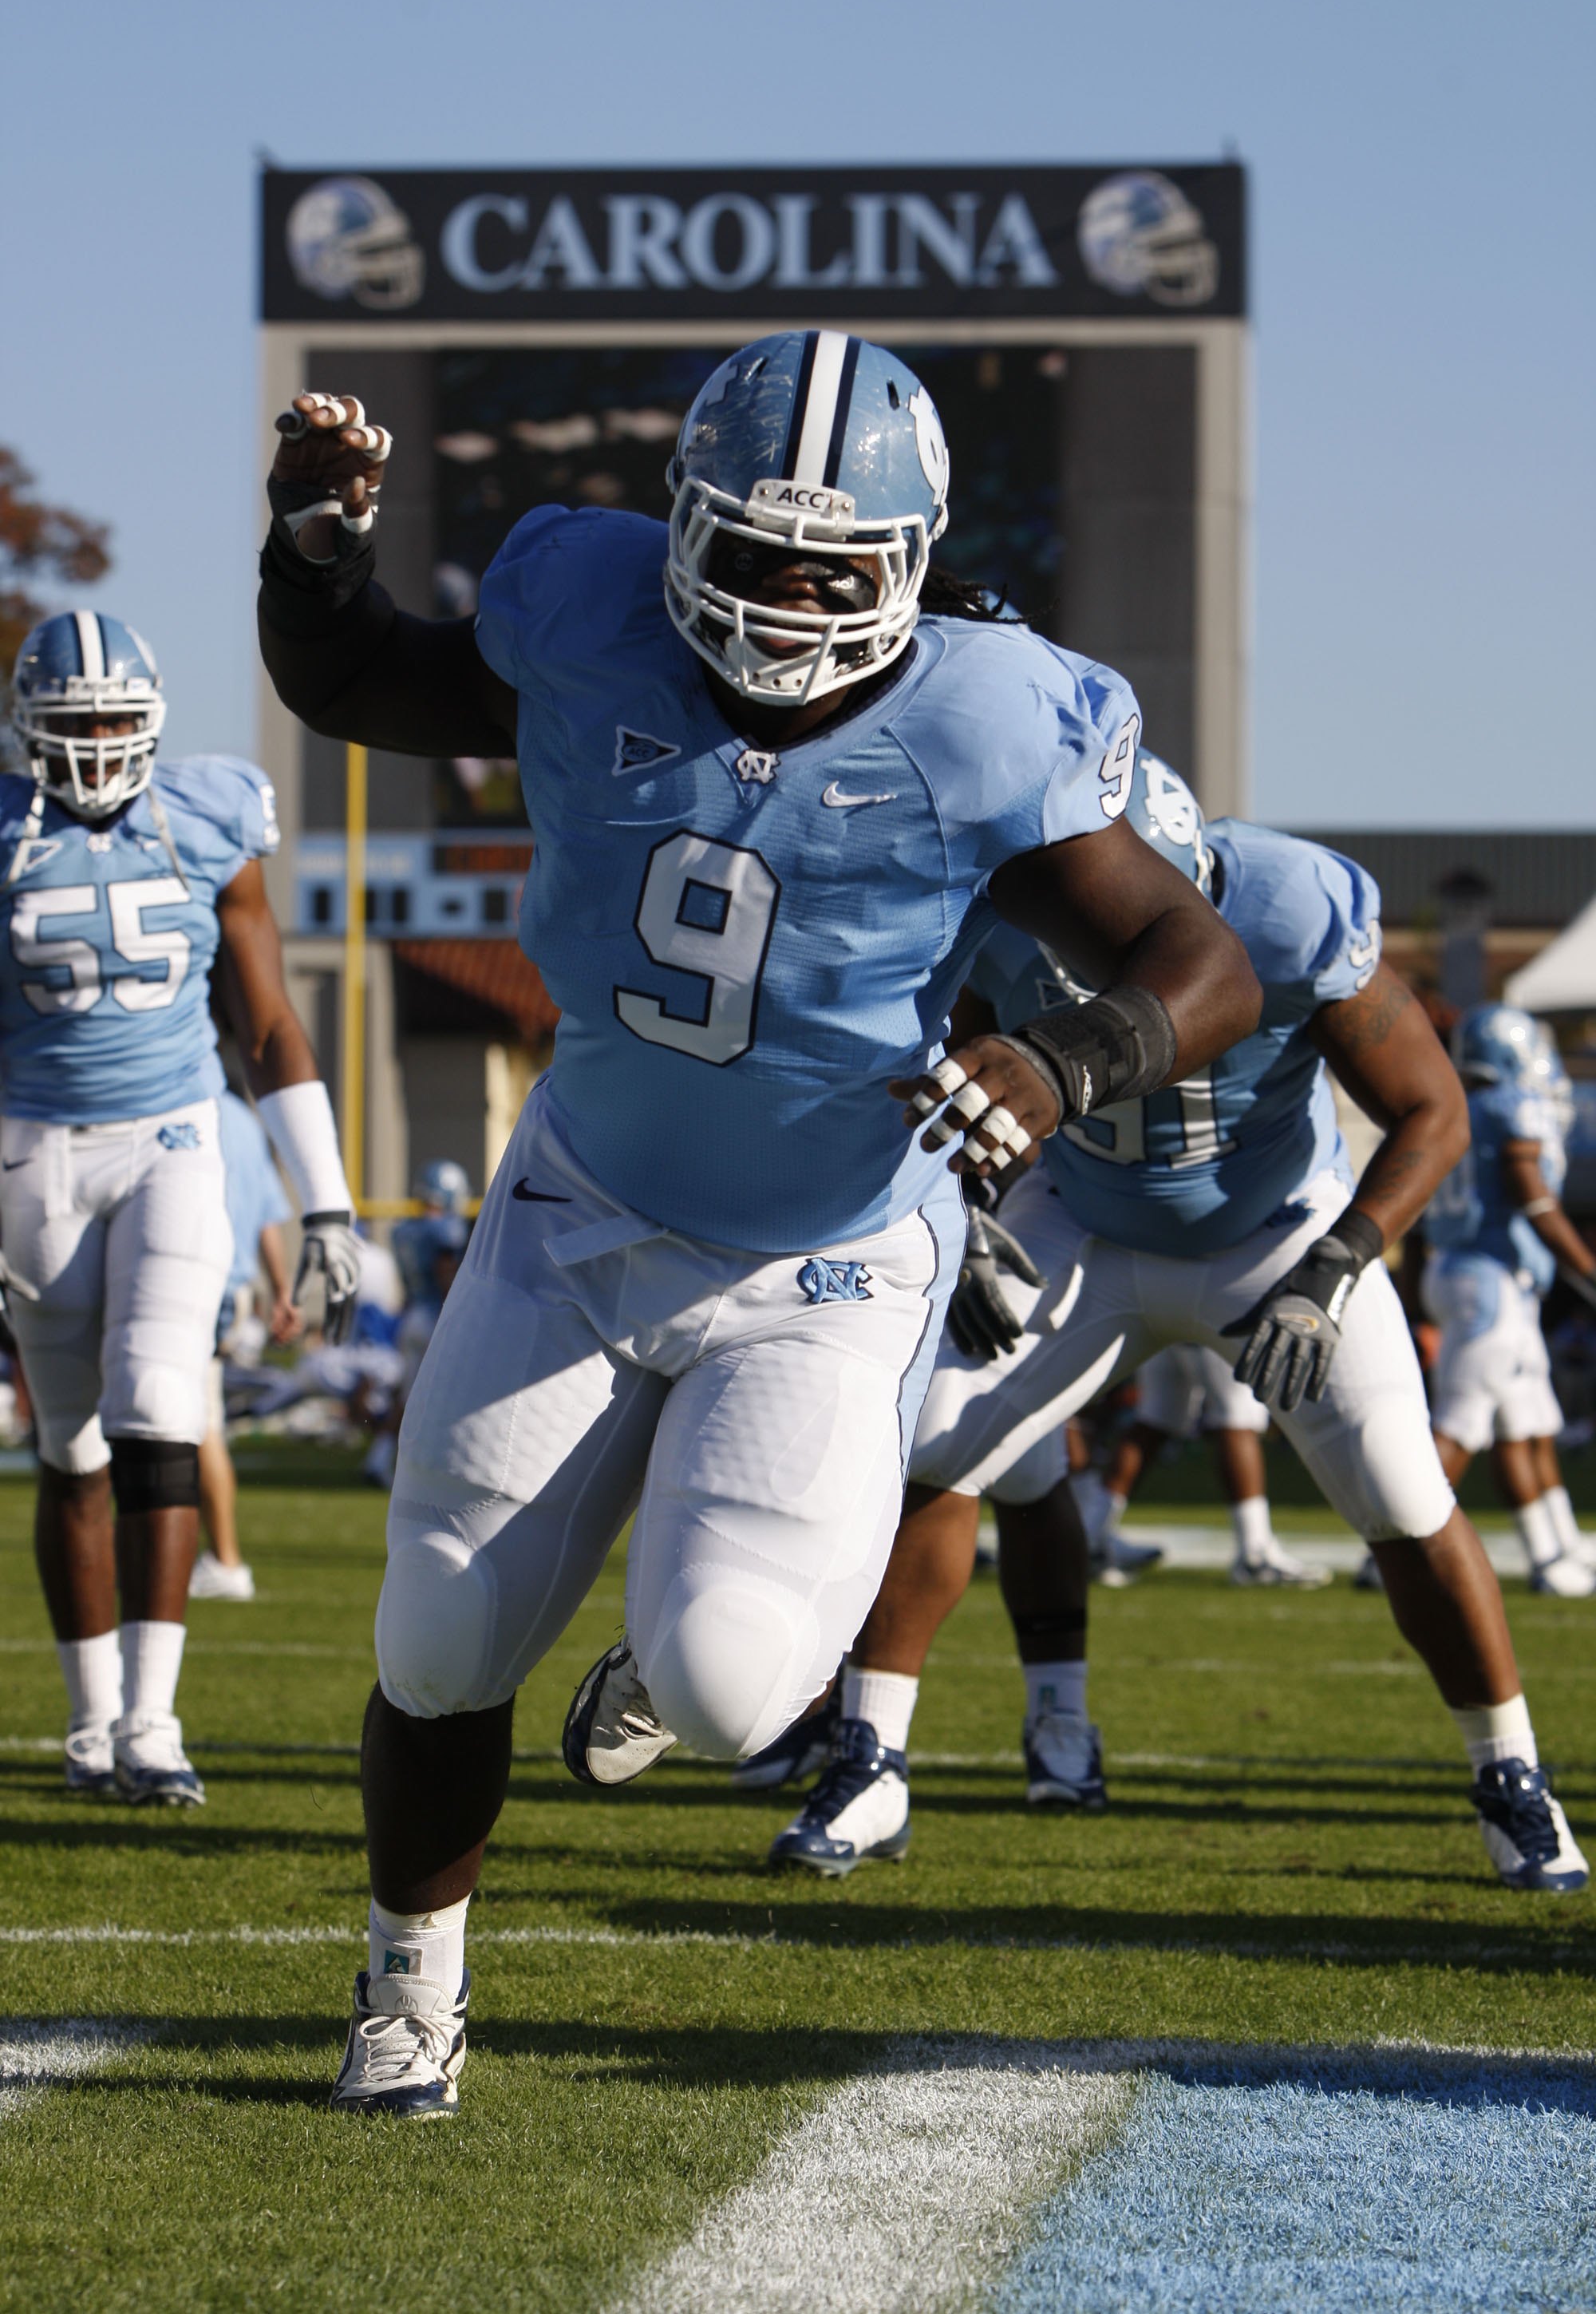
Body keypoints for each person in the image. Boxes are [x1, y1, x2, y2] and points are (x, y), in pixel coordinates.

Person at [256, 335, 1260, 2117]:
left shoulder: (985, 716)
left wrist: (1062, 1055)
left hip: (832, 1253)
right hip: (584, 1201)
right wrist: (314, 556)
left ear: (909, 559)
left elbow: (1202, 964)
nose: (788, 602)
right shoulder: (589, 621)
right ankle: (412, 1991)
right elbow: (360, 686)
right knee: (434, 1636)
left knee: (724, 1689)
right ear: (676, 534)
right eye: (750, 554)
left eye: (831, 566)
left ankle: (663, 1659)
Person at [766, 754, 1586, 1896]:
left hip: (1278, 1231)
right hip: (1086, 1225)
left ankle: (1513, 1776)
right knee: (938, 1445)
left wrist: (1340, 1262)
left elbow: (1432, 1110)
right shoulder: (1007, 914)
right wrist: (959, 1214)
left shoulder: (1295, 907)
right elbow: (926, 1070)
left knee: (1404, 1491)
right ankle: (871, 1757)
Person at [1, 612, 360, 1806]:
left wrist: (328, 1204)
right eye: (75, 725)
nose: (98, 746)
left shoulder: (207, 815)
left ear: (151, 723)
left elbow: (262, 1022)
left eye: (115, 721)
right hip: (33, 1147)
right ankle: (92, 1720)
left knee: (160, 1403)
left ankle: (153, 1724)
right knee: (71, 1443)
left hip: (174, 1135)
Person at [1419, 1004, 1596, 1595]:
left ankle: (1555, 1551)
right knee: (1461, 1425)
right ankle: (1393, 1550)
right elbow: (1533, 1198)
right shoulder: (1510, 1105)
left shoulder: (1457, 1106)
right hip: (1489, 1278)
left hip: (1472, 1272)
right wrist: (1587, 1266)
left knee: (1528, 1424)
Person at [1081, 1343, 1331, 1587]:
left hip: (1164, 1316)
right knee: (1238, 1419)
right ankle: (1255, 1553)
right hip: (1214, 1315)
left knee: (1154, 1422)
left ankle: (1091, 1539)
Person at [191, 1084, 302, 1601]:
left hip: (190, 1281)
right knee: (188, 1420)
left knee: (195, 1423)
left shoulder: (178, 1097)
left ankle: (225, 1560)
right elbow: (266, 1220)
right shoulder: (245, 1120)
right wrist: (282, 1290)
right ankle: (213, 1557)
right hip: (230, 1285)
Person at [362, 1161, 471, 1489]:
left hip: (412, 1316)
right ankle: (442, 1465)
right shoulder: (445, 1230)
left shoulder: (405, 1230)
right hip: (435, 1315)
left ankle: (380, 1460)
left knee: (409, 1398)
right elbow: (445, 1272)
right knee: (447, 1395)